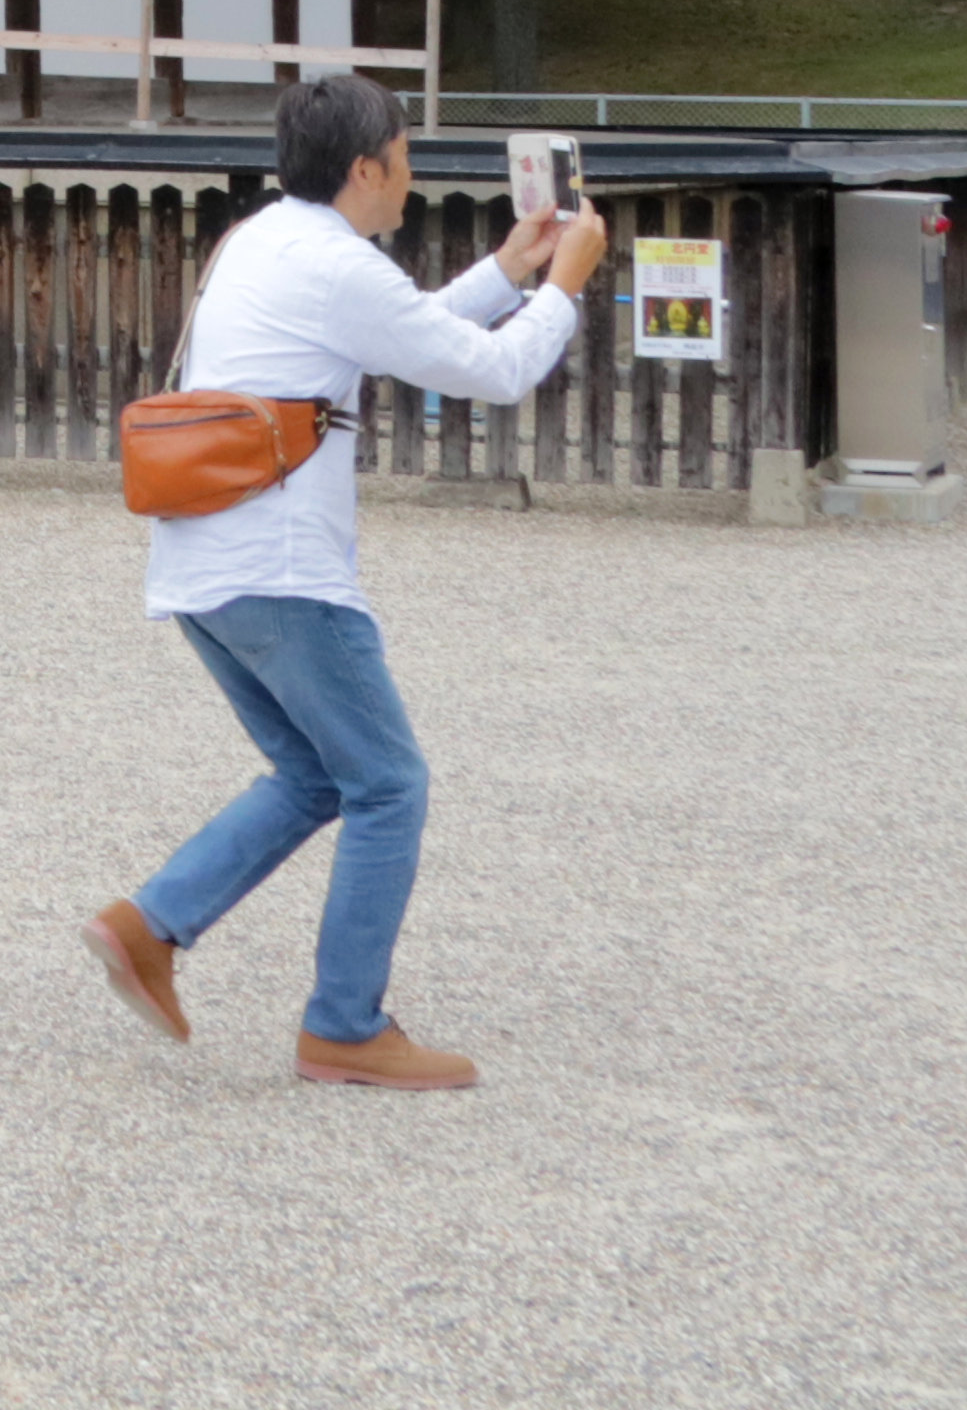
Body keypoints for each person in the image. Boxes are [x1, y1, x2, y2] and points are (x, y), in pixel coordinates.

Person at [79, 69, 604, 1092]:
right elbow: (492, 371)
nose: (410, 173)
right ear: (366, 167)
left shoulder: (264, 239)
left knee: (318, 774)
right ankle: (344, 1025)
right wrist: (564, 287)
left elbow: (408, 329)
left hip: (204, 567)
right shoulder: (338, 267)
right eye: (403, 156)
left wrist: (510, 268)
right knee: (389, 784)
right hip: (285, 574)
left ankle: (149, 926)